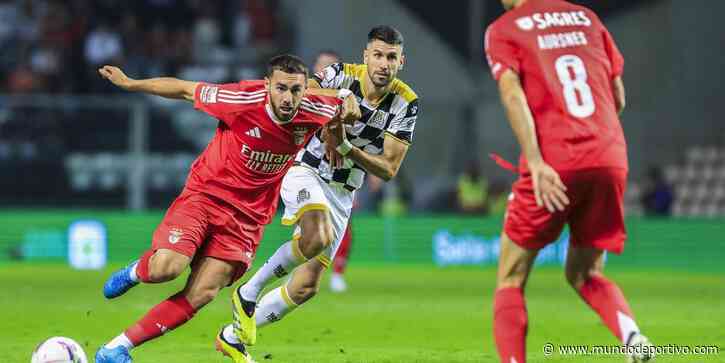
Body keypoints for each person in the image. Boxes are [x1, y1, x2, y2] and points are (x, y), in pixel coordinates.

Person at [93, 54, 349, 363]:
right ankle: (137, 271)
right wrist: (131, 83)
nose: (289, 98)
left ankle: (115, 348)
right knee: (167, 269)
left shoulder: (315, 107)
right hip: (206, 195)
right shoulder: (241, 98)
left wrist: (336, 136)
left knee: (203, 293)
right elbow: (185, 90)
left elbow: (343, 108)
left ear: (305, 89)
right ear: (267, 85)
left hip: (248, 217)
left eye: (296, 91)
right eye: (281, 88)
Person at [217, 25, 419, 360]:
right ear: (366, 55)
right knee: (316, 233)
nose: (384, 63)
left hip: (343, 192)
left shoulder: (406, 103)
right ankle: (248, 292)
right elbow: (301, 93)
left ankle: (231, 336)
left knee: (306, 286)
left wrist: (345, 146)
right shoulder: (340, 74)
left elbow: (389, 167)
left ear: (402, 62)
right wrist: (336, 106)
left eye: (392, 57)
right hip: (305, 169)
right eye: (378, 55)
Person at [485, 1, 654, 362]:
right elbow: (618, 97)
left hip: (554, 160)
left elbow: (513, 95)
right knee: (585, 272)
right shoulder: (587, 18)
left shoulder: (504, 29)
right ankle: (633, 337)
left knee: (511, 277)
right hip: (609, 156)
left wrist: (536, 161)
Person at [312, 49, 353, 292]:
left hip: (340, 171)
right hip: (306, 169)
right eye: (321, 66)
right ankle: (295, 267)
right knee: (307, 222)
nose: (324, 72)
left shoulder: (348, 100)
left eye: (330, 67)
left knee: (342, 226)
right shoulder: (301, 95)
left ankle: (337, 272)